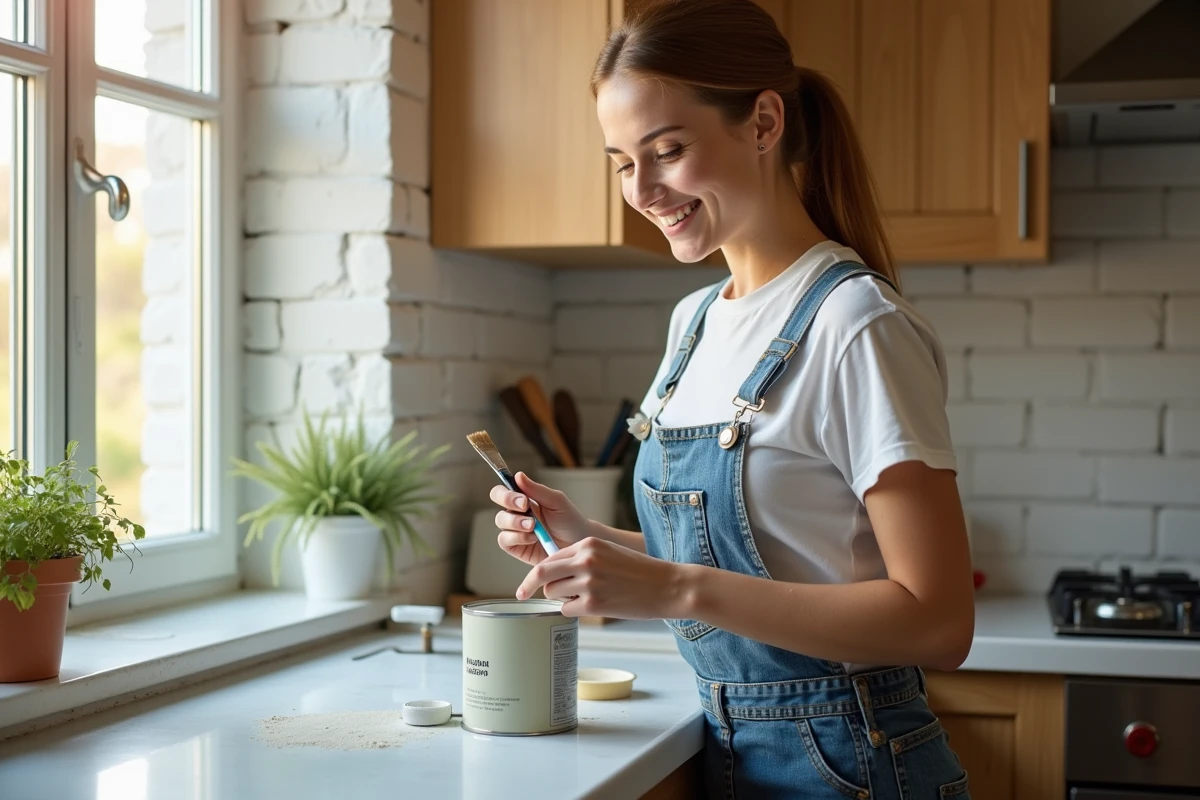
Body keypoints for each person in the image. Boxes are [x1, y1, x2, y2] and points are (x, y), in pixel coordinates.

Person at [488, 0, 975, 796]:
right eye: (620, 161)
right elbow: (775, 557)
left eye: (667, 150)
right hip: (732, 747)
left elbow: (938, 620)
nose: (640, 189)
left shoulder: (855, 323)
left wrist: (675, 588)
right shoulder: (694, 322)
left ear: (763, 123)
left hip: (855, 757)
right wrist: (593, 545)